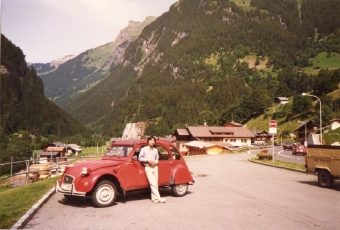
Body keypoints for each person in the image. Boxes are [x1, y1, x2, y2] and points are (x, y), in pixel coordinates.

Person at [139, 136, 166, 203]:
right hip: (148, 167)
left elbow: (157, 158)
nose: (152, 142)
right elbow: (140, 158)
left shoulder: (155, 150)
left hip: (155, 167)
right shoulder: (144, 149)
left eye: (153, 141)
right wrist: (147, 160)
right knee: (153, 183)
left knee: (155, 183)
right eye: (151, 140)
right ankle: (159, 198)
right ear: (148, 141)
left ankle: (154, 198)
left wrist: (155, 162)